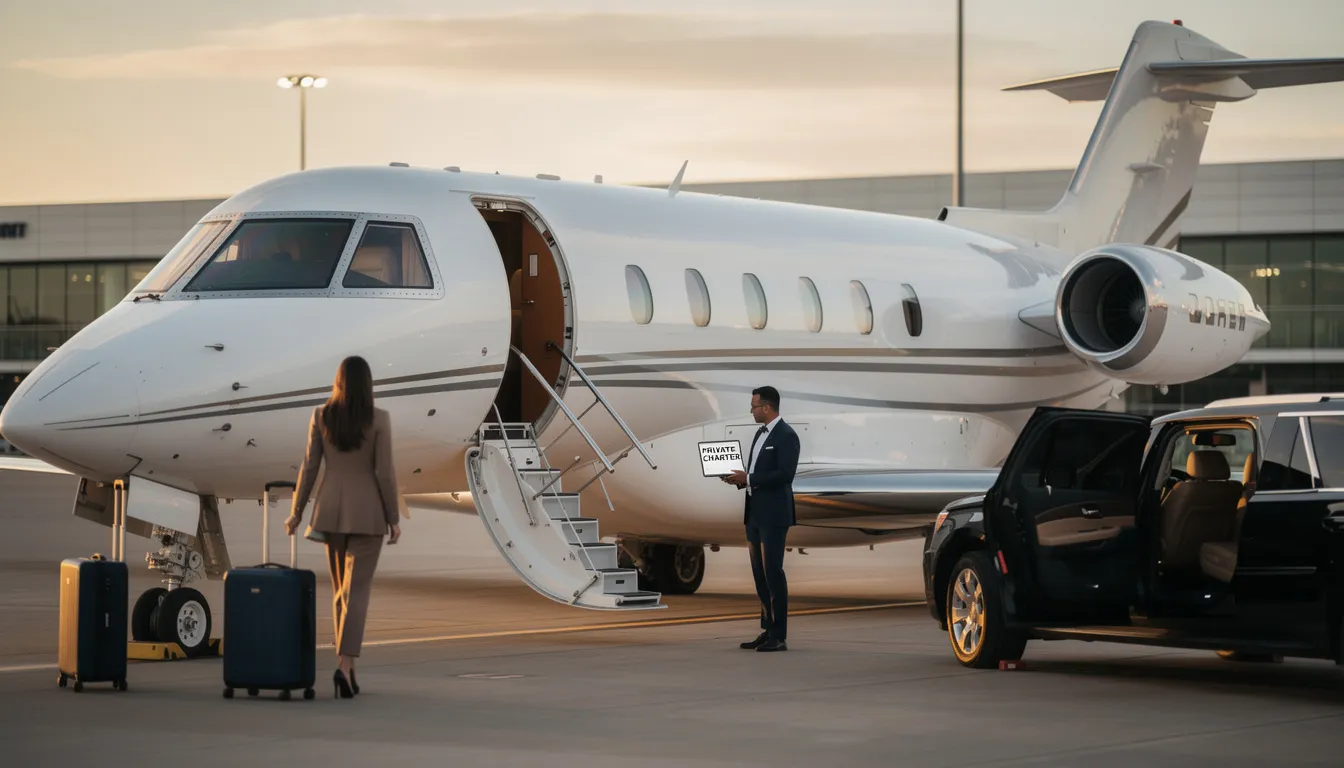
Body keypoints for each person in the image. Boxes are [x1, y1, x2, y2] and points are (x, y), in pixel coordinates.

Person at [285, 355, 402, 699]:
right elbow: (384, 472)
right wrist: (393, 518)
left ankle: (347, 667)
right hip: (368, 514)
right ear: (368, 384)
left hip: (331, 512)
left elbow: (309, 467)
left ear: (338, 382)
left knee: (341, 591)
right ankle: (344, 665)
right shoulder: (379, 420)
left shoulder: (322, 416)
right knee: (358, 592)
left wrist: (296, 512)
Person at [722, 386, 800, 652]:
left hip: (774, 515)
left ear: (767, 407)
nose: (751, 411)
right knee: (759, 574)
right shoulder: (759, 434)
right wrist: (740, 479)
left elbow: (785, 474)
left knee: (773, 572)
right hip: (755, 513)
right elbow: (757, 474)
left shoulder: (787, 436)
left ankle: (780, 635)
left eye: (754, 406)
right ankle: (767, 629)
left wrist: (750, 478)